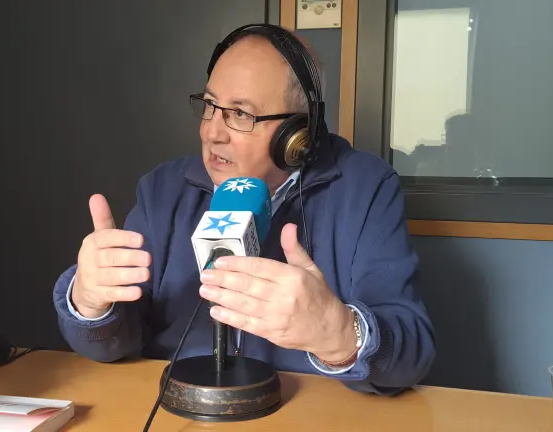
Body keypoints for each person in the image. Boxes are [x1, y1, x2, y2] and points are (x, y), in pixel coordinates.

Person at [52, 24, 436, 396]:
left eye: (240, 114)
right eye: (210, 106)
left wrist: (339, 335)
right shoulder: (163, 188)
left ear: (297, 133)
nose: (211, 132)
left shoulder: (365, 187)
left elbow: (411, 357)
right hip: (179, 411)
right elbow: (113, 343)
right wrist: (90, 304)